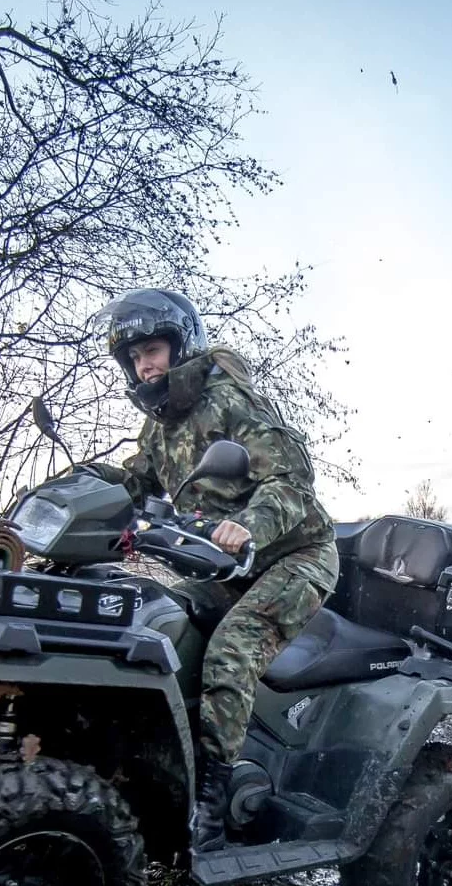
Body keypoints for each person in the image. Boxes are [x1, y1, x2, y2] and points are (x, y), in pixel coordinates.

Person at [84, 288, 338, 854]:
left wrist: (250, 523)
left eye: (152, 349)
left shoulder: (231, 401)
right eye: (133, 357)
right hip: (225, 564)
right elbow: (136, 483)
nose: (143, 364)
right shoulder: (161, 427)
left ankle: (214, 807)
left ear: (181, 345)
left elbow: (292, 481)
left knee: (231, 651)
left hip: (295, 556)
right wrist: (76, 484)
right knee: (156, 624)